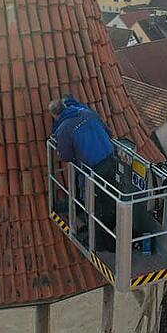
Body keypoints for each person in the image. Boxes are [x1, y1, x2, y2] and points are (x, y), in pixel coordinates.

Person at [49, 97, 118, 251]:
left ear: (55, 115)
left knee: (91, 202)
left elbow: (66, 157)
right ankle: (109, 233)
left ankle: (99, 241)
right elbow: (108, 132)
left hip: (93, 169)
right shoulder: (88, 113)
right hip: (111, 160)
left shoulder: (63, 129)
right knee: (109, 199)